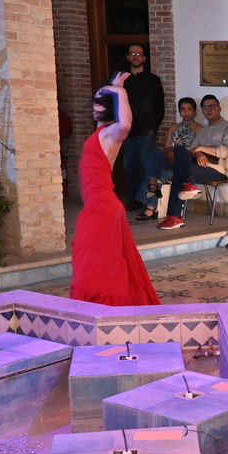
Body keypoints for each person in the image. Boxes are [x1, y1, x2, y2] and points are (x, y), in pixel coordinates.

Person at [70, 73, 160, 306]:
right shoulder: (101, 130)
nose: (95, 106)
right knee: (95, 262)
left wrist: (120, 91)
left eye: (101, 103)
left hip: (102, 206)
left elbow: (126, 124)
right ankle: (99, 308)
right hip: (99, 205)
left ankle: (101, 309)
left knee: (93, 262)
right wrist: (113, 87)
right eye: (95, 102)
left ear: (111, 107)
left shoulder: (112, 133)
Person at [157, 94, 228, 231]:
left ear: (219, 108)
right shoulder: (203, 130)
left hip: (219, 170)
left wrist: (200, 148)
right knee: (180, 150)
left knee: (179, 171)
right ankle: (189, 184)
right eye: (205, 107)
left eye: (212, 106)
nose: (208, 110)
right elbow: (191, 150)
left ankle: (175, 216)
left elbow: (226, 151)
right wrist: (198, 153)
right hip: (199, 166)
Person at [133, 96, 202, 221]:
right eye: (183, 109)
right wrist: (169, 151)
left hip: (184, 162)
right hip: (170, 158)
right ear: (179, 111)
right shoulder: (174, 127)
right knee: (154, 154)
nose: (186, 112)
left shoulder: (199, 128)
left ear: (194, 112)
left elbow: (196, 149)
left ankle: (151, 206)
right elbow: (166, 147)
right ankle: (153, 186)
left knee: (154, 172)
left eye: (189, 109)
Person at [120, 44, 164, 211]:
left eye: (139, 54)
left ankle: (146, 199)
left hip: (146, 130)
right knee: (130, 165)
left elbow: (159, 106)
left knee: (146, 165)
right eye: (132, 53)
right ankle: (133, 199)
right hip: (127, 131)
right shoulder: (122, 80)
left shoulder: (153, 80)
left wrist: (153, 128)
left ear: (144, 58)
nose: (135, 56)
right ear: (128, 57)